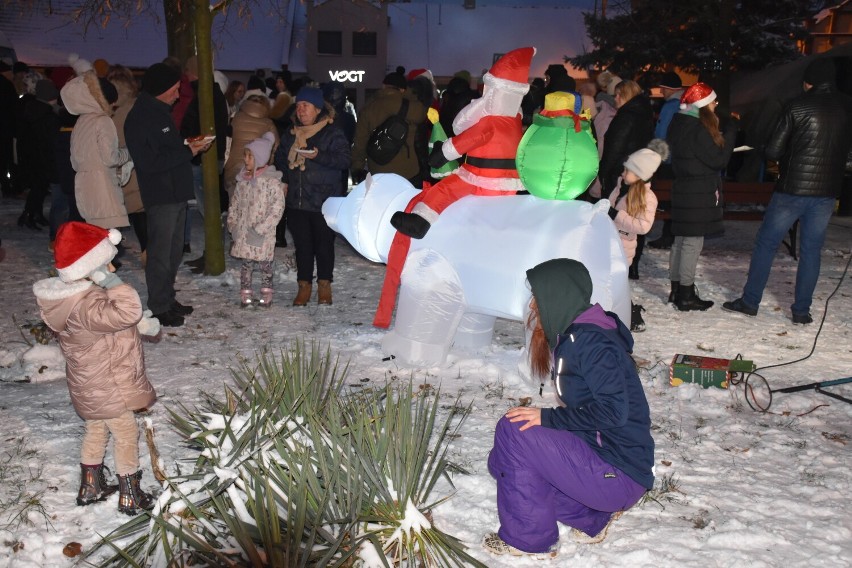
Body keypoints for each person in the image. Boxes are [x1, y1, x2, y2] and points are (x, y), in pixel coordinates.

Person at [483, 258, 654, 558]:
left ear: (558, 295)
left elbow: (614, 412)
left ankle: (529, 539)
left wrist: (548, 417)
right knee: (502, 461)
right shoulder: (578, 335)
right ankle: (592, 517)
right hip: (604, 457)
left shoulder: (592, 344)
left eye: (539, 296)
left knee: (513, 432)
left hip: (620, 472)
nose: (534, 305)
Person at [32, 221, 160, 515]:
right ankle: (131, 493)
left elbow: (114, 324)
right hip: (107, 386)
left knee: (96, 429)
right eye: (106, 265)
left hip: (90, 387)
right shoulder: (87, 305)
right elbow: (126, 311)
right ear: (91, 268)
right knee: (126, 434)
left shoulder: (73, 299)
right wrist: (113, 285)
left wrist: (140, 324)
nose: (113, 269)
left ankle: (91, 486)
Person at [723, 58, 852, 324]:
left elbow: (772, 150)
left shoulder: (797, 105)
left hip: (792, 189)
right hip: (826, 192)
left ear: (808, 82)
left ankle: (750, 301)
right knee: (811, 251)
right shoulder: (847, 106)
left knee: (766, 244)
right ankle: (801, 311)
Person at [124, 62, 213, 327]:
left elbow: (166, 148)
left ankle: (167, 298)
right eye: (175, 89)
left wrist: (188, 144)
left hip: (175, 192)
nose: (178, 94)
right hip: (161, 195)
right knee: (161, 254)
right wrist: (188, 152)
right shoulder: (141, 118)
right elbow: (149, 162)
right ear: (161, 89)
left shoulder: (160, 112)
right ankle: (158, 305)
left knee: (174, 252)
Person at [274, 87, 351, 306]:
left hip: (324, 201)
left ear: (317, 109)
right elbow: (280, 159)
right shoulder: (291, 133)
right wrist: (285, 179)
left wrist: (319, 155)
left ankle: (324, 286)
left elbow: (344, 160)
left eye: (305, 106)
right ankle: (304, 286)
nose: (301, 111)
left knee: (324, 246)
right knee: (303, 246)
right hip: (297, 201)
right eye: (298, 106)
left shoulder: (331, 132)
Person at [667, 82, 738, 311]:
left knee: (680, 240)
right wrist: (731, 133)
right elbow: (718, 160)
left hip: (684, 189)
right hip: (696, 192)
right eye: (713, 102)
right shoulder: (697, 127)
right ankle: (686, 294)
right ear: (704, 104)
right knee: (692, 243)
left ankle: (677, 289)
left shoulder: (680, 121)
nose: (716, 105)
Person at [604, 140, 669, 332]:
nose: (623, 173)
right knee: (608, 283)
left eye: (628, 171)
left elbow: (643, 226)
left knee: (617, 286)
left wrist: (617, 215)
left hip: (624, 247)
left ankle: (630, 315)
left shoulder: (647, 198)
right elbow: (610, 206)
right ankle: (610, 314)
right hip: (608, 241)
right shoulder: (621, 185)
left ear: (640, 175)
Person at [61, 62, 131, 231]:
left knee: (94, 236)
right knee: (108, 238)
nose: (114, 106)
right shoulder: (103, 121)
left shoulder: (81, 121)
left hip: (84, 186)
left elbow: (74, 159)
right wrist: (128, 153)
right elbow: (110, 157)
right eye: (113, 102)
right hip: (103, 187)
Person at [597, 80, 654, 279]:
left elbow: (614, 148)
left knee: (617, 218)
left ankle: (616, 261)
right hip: (640, 173)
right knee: (635, 213)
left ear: (624, 95)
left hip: (622, 173)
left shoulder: (626, 116)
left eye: (617, 95)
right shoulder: (645, 114)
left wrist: (604, 173)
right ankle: (633, 264)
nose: (615, 99)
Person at [227, 132, 285, 307]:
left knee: (265, 265)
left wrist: (261, 229)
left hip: (262, 234)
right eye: (245, 156)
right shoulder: (242, 181)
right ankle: (246, 293)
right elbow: (235, 204)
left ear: (260, 159)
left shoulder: (271, 182)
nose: (246, 160)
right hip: (244, 232)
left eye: (250, 157)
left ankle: (266, 294)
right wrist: (233, 224)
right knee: (246, 264)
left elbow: (277, 208)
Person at [350, 72, 427, 186]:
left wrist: (357, 167)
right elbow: (422, 115)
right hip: (408, 169)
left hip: (378, 168)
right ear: (403, 89)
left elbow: (360, 142)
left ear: (383, 86)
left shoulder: (368, 107)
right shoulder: (413, 106)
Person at [108, 65, 148, 266]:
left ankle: (111, 257)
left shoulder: (106, 104)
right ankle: (146, 250)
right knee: (139, 210)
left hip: (113, 162)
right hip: (134, 162)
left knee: (113, 213)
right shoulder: (136, 104)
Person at [16, 79, 60, 232]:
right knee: (38, 187)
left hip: (32, 155)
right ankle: (29, 215)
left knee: (38, 187)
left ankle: (35, 214)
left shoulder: (33, 109)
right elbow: (49, 138)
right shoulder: (46, 113)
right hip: (41, 156)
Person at [648, 72, 685, 250]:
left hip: (668, 159)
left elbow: (661, 133)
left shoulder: (670, 107)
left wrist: (656, 156)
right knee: (674, 199)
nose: (661, 91)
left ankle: (667, 237)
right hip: (681, 158)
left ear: (670, 89)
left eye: (663, 88)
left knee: (666, 199)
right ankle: (671, 235)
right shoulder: (686, 104)